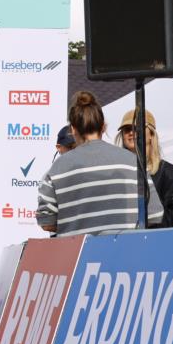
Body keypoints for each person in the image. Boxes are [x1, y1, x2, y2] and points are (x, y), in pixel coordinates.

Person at [37, 91, 164, 236]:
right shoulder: (134, 162)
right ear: (103, 126)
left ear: (73, 129)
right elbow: (155, 215)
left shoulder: (57, 168)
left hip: (78, 249)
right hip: (125, 248)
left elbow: (47, 222)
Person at [116, 109, 173, 228]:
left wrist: (148, 219)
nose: (131, 132)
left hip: (157, 238)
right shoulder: (118, 173)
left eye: (136, 128)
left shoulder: (168, 173)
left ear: (151, 135)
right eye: (127, 129)